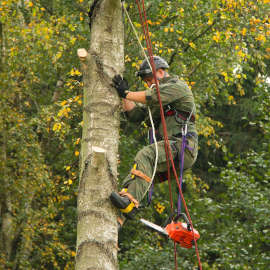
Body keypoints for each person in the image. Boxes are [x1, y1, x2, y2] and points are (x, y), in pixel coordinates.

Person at [110, 56, 198, 223]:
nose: (148, 84)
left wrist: (127, 93)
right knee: (137, 175)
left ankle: (129, 202)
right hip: (173, 150)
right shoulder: (157, 99)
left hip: (182, 146)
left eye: (150, 79)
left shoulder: (177, 87)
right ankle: (119, 218)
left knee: (147, 155)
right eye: (146, 81)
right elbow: (136, 115)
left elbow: (153, 96)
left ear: (161, 72)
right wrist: (123, 95)